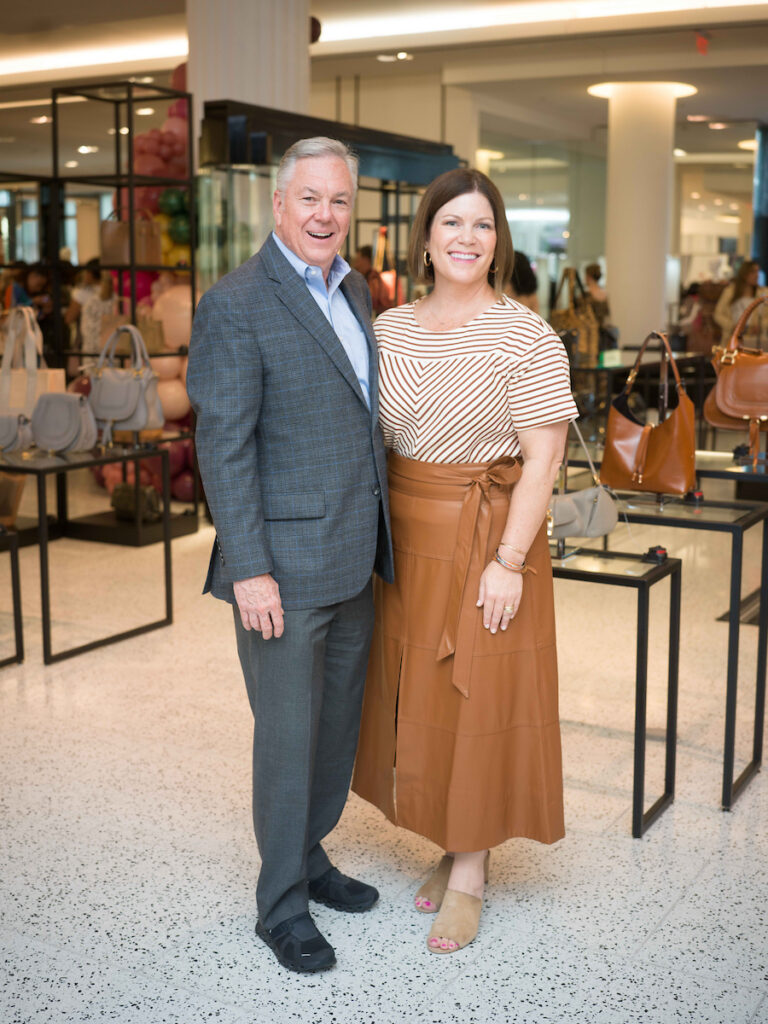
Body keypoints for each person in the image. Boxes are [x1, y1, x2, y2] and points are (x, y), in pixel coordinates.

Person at [352, 167, 577, 955]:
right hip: (405, 538)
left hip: (490, 536)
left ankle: (472, 875)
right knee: (425, 697)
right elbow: (368, 441)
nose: (467, 239)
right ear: (423, 237)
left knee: (475, 696)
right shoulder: (387, 329)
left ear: (499, 240)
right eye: (451, 223)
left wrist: (509, 560)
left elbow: (543, 461)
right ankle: (451, 840)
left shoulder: (527, 335)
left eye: (482, 225)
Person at [187, 137, 394, 975]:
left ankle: (309, 857)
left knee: (333, 732)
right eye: (309, 199)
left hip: (353, 553)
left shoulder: (358, 292)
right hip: (281, 568)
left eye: (338, 201)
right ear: (279, 206)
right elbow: (225, 447)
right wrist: (250, 568)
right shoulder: (237, 302)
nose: (324, 215)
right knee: (286, 739)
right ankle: (280, 908)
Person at [713, 259, 768, 345]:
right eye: (753, 272)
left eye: (757, 271)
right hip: (733, 338)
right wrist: (731, 326)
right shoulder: (730, 292)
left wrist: (761, 326)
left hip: (755, 339)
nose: (756, 275)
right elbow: (718, 314)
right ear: (744, 274)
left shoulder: (763, 293)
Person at [352, 244, 395, 316]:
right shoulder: (366, 278)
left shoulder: (374, 280)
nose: (356, 265)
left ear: (366, 260)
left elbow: (372, 302)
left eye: (358, 260)